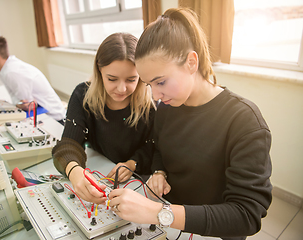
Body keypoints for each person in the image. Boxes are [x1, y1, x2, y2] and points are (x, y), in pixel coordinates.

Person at [108, 8, 272, 240]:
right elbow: (159, 148)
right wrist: (159, 171)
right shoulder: (167, 107)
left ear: (191, 62)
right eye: (149, 85)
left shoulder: (244, 121)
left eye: (161, 82)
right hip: (169, 227)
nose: (155, 95)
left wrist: (158, 212)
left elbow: (246, 215)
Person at [52, 33, 155, 204]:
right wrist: (75, 171)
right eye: (112, 79)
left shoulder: (148, 104)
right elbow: (68, 144)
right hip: (102, 174)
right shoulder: (82, 96)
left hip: (136, 183)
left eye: (131, 79)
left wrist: (132, 163)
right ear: (99, 69)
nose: (121, 89)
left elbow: (153, 146)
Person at [0, 35, 65, 124]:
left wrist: (19, 104)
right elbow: (17, 99)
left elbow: (27, 105)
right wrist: (18, 104)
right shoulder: (3, 69)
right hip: (40, 111)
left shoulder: (13, 72)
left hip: (54, 118)